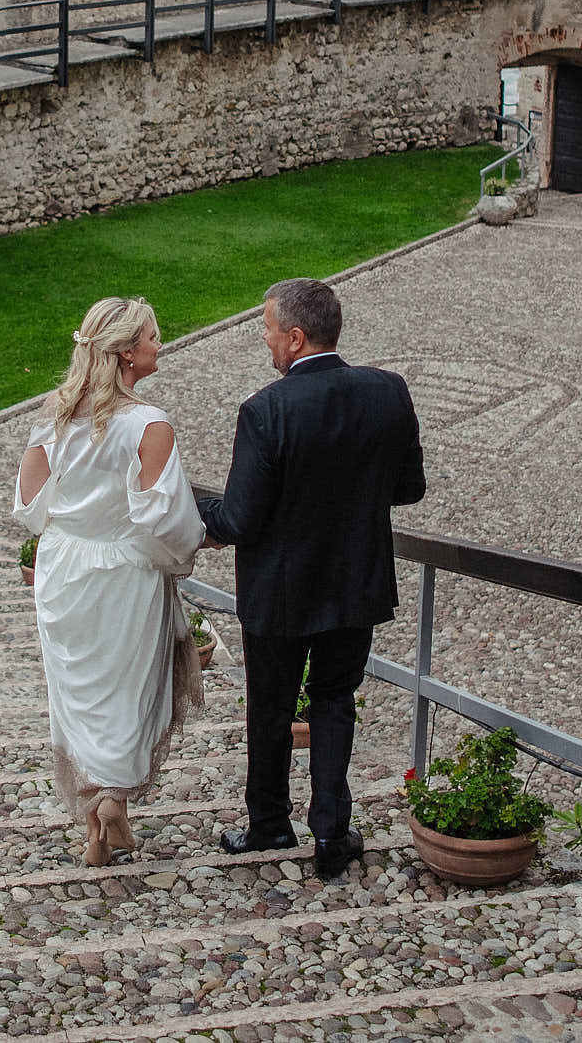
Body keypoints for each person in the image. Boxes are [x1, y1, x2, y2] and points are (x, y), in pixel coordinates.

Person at [197, 277, 425, 878]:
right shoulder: (388, 392)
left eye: (269, 332)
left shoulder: (266, 410)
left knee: (270, 708)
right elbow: (410, 488)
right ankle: (330, 831)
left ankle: (269, 824)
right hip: (356, 579)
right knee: (333, 700)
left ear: (295, 338)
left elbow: (239, 518)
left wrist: (183, 500)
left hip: (279, 589)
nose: (266, 344)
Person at [13, 296, 206, 866]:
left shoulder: (51, 418)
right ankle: (112, 800)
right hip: (123, 569)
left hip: (64, 569)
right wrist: (185, 550)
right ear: (126, 353)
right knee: (129, 690)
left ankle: (98, 803)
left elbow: (28, 506)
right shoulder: (149, 424)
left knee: (79, 692)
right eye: (152, 336)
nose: (160, 344)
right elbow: (162, 518)